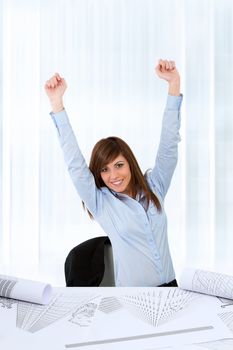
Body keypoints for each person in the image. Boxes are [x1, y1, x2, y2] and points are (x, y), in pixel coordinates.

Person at [45, 59, 182, 287]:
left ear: (130, 163)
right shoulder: (101, 203)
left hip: (171, 290)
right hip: (132, 299)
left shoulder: (154, 186)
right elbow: (75, 164)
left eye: (118, 165)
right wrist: (56, 103)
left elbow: (169, 146)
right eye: (104, 169)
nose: (113, 175)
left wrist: (174, 84)